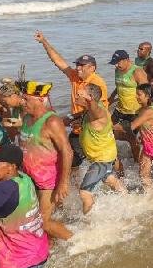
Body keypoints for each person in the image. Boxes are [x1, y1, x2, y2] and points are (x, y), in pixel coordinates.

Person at [34, 32, 109, 186]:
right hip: (77, 129)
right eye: (77, 65)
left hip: (94, 130)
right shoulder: (75, 76)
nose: (78, 68)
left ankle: (118, 179)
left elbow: (96, 110)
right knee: (71, 160)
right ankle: (73, 187)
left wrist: (71, 118)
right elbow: (59, 62)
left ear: (92, 68)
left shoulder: (97, 83)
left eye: (82, 65)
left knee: (102, 161)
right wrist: (44, 42)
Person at [18, 81, 73, 240]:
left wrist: (63, 183)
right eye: (22, 98)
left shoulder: (52, 121)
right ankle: (49, 246)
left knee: (43, 222)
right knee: (26, 220)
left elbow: (67, 152)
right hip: (29, 179)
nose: (22, 102)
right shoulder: (26, 118)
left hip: (48, 182)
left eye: (26, 99)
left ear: (41, 100)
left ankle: (77, 242)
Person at [74, 83, 126, 213]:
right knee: (109, 180)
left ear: (90, 98)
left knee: (84, 193)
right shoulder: (92, 110)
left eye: (80, 94)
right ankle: (128, 200)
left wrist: (89, 102)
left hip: (101, 159)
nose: (76, 95)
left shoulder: (98, 112)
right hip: (105, 156)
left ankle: (88, 222)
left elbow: (94, 109)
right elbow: (90, 111)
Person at [109, 49, 149, 168]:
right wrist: (111, 97)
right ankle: (115, 161)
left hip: (134, 111)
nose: (116, 65)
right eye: (115, 63)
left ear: (127, 60)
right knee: (107, 132)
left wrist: (146, 111)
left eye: (118, 62)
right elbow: (119, 85)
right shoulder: (117, 70)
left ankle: (137, 164)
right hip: (120, 109)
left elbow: (147, 92)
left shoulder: (137, 72)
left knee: (132, 138)